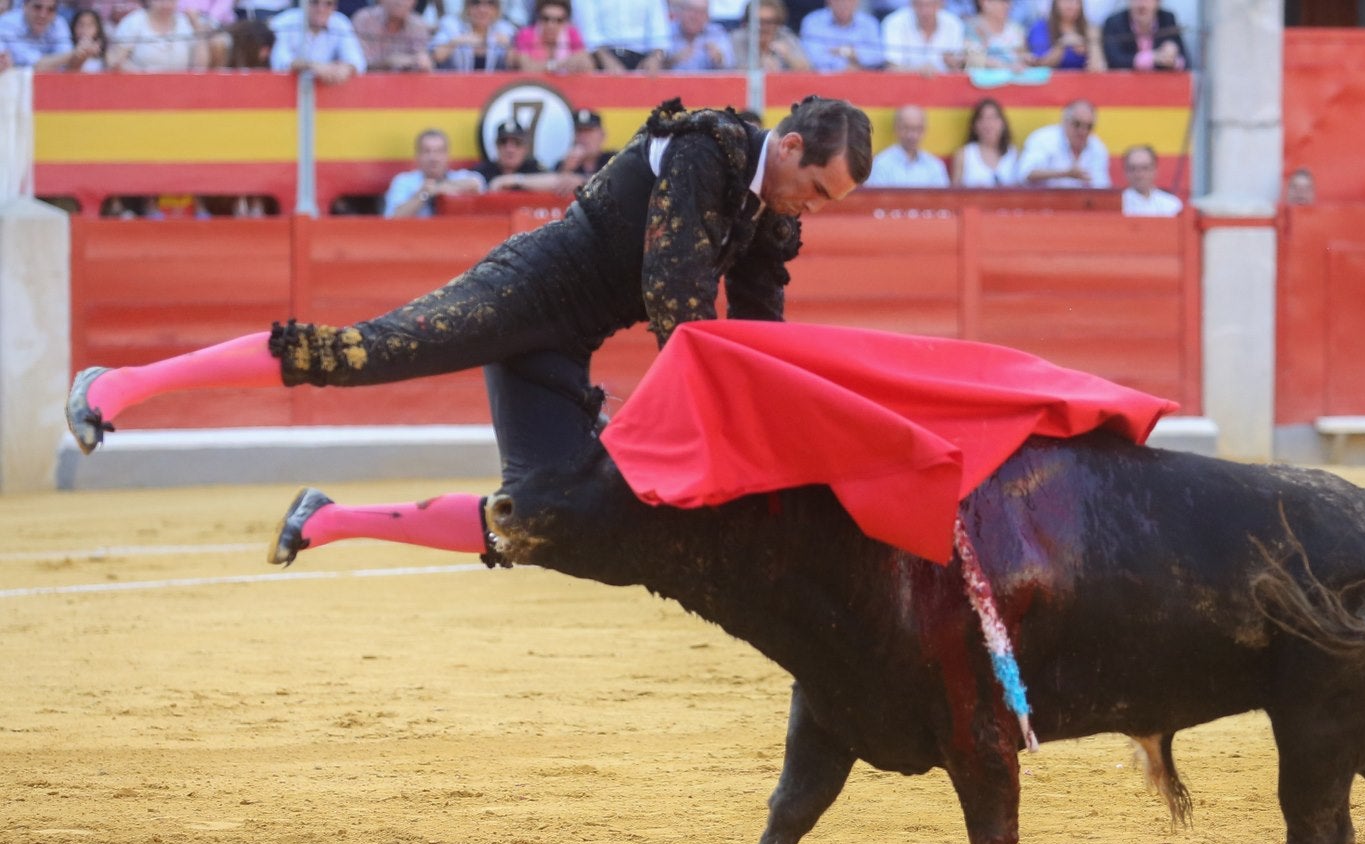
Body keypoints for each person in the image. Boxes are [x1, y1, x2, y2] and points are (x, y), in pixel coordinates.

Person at [66, 97, 873, 570]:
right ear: (792, 144)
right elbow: (676, 302)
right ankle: (117, 385)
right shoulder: (712, 149)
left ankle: (329, 518)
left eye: (826, 202)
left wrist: (778, 408)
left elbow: (762, 326)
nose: (812, 206)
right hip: (527, 289)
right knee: (359, 354)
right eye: (815, 186)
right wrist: (721, 420)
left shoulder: (769, 208)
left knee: (539, 517)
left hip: (568, 337)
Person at [382, 128, 486, 218]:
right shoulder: (404, 181)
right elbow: (393, 218)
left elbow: (477, 183)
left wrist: (439, 187)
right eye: (427, 151)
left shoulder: (459, 176)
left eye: (439, 151)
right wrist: (424, 194)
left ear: (447, 155)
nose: (433, 158)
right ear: (418, 155)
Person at [474, 121, 585, 195]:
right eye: (504, 142)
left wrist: (512, 180)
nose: (510, 149)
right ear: (496, 146)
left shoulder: (533, 167)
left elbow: (558, 181)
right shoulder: (485, 169)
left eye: (517, 143)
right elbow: (466, 181)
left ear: (525, 148)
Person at [1017, 99, 1109, 189]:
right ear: (1064, 121)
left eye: (1089, 127)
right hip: (1043, 201)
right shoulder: (1044, 139)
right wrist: (1065, 174)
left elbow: (1102, 187)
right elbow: (1026, 174)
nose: (1082, 131)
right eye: (1077, 124)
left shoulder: (1097, 147)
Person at [268, 0, 364, 82]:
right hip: (286, 92)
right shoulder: (283, 22)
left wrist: (345, 68)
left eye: (328, 4)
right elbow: (280, 62)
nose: (321, 9)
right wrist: (313, 67)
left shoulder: (341, 23)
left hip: (328, 93)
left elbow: (358, 62)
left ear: (335, 7)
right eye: (315, 2)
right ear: (304, 3)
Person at [865, 104, 949, 188]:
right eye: (906, 128)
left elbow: (943, 199)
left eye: (917, 129)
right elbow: (875, 199)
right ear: (896, 129)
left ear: (924, 130)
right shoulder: (881, 164)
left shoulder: (934, 165)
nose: (912, 135)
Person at [109, 0, 208, 70]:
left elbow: (200, 68)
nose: (166, 5)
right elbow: (115, 61)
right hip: (140, 86)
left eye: (171, 1)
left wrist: (199, 30)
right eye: (161, 0)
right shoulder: (134, 21)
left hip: (181, 86)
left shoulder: (186, 22)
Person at [575, 0, 670, 71]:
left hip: (642, 58)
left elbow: (660, 33)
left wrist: (655, 57)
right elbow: (588, 30)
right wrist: (605, 59)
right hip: (601, 55)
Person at [949, 98, 1019, 188]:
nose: (988, 124)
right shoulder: (964, 155)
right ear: (974, 126)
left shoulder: (1013, 154)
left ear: (1003, 124)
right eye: (982, 118)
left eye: (993, 118)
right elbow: (954, 194)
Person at [430, 0, 516, 71]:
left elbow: (514, 65)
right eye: (476, 3)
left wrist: (510, 47)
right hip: (454, 87)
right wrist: (455, 42)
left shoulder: (506, 29)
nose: (482, 9)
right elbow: (435, 56)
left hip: (494, 89)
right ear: (467, 6)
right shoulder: (451, 25)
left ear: (497, 9)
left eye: (490, 3)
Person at [1102, 0, 1185, 71]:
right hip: (1124, 85)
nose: (1141, 5)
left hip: (1160, 85)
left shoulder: (1167, 19)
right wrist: (1153, 58)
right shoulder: (1114, 22)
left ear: (1158, 2)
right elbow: (1114, 61)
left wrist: (1172, 59)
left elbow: (1185, 61)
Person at [798, 0, 880, 72]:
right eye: (839, 1)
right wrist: (847, 64)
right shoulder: (813, 21)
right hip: (823, 79)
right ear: (829, 1)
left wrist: (844, 52)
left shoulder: (869, 22)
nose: (843, 4)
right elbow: (813, 57)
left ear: (857, 2)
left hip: (861, 78)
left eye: (848, 1)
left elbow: (877, 56)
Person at [880, 0, 961, 72]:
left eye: (931, 4)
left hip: (944, 84)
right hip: (905, 84)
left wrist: (954, 63)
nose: (925, 11)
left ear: (942, 3)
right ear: (911, 3)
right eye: (920, 5)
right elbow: (891, 67)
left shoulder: (953, 23)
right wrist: (917, 71)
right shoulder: (894, 22)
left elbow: (958, 67)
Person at [727, 0, 810, 70]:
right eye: (758, 21)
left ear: (778, 23)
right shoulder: (738, 38)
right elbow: (729, 69)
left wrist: (789, 57)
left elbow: (807, 69)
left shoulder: (785, 36)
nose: (763, 27)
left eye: (769, 22)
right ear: (748, 22)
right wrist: (760, 65)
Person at [352, 0, 433, 71]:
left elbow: (423, 60)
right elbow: (358, 64)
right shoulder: (364, 20)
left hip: (405, 85)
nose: (400, 2)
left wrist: (422, 63)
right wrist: (388, 62)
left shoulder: (418, 25)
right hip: (368, 84)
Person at [514, 0, 592, 72]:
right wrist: (558, 65)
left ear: (566, 21)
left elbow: (588, 65)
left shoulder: (572, 34)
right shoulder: (526, 35)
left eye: (559, 20)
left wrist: (580, 62)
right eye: (546, 19)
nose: (551, 25)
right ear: (538, 18)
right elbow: (527, 67)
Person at [1026, 0, 1103, 71]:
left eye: (1076, 2)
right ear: (1055, 3)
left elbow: (1097, 68)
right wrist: (1062, 44)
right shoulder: (1041, 28)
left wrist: (1093, 43)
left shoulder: (1088, 28)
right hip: (1052, 83)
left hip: (1081, 83)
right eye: (1066, 1)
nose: (1072, 6)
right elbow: (1039, 64)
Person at [0, 0, 74, 70]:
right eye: (37, 7)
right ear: (25, 6)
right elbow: (36, 65)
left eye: (50, 9)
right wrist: (75, 54)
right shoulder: (7, 23)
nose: (43, 15)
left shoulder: (59, 23)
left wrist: (72, 56)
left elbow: (67, 64)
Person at [554, 107, 615, 182]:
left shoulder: (614, 160)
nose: (584, 137)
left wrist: (582, 180)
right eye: (580, 131)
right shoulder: (564, 164)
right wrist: (566, 170)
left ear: (602, 135)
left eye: (589, 131)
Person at [665, 0, 730, 70]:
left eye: (701, 12)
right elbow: (654, 65)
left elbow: (731, 65)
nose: (695, 17)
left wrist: (719, 59)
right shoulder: (666, 31)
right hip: (671, 80)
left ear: (708, 16)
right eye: (690, 10)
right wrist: (670, 61)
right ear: (679, 13)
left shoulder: (717, 33)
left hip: (707, 80)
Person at [1120, 143, 1180, 216]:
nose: (1139, 174)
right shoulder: (1117, 205)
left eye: (1145, 168)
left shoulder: (1171, 204)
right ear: (1125, 172)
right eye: (1133, 169)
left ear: (1155, 170)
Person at [963, 0, 1025, 71]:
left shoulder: (1016, 29)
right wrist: (1005, 66)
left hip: (1015, 80)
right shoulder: (971, 27)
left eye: (1008, 2)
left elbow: (1022, 58)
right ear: (985, 2)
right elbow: (972, 58)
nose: (1007, 6)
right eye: (1002, 2)